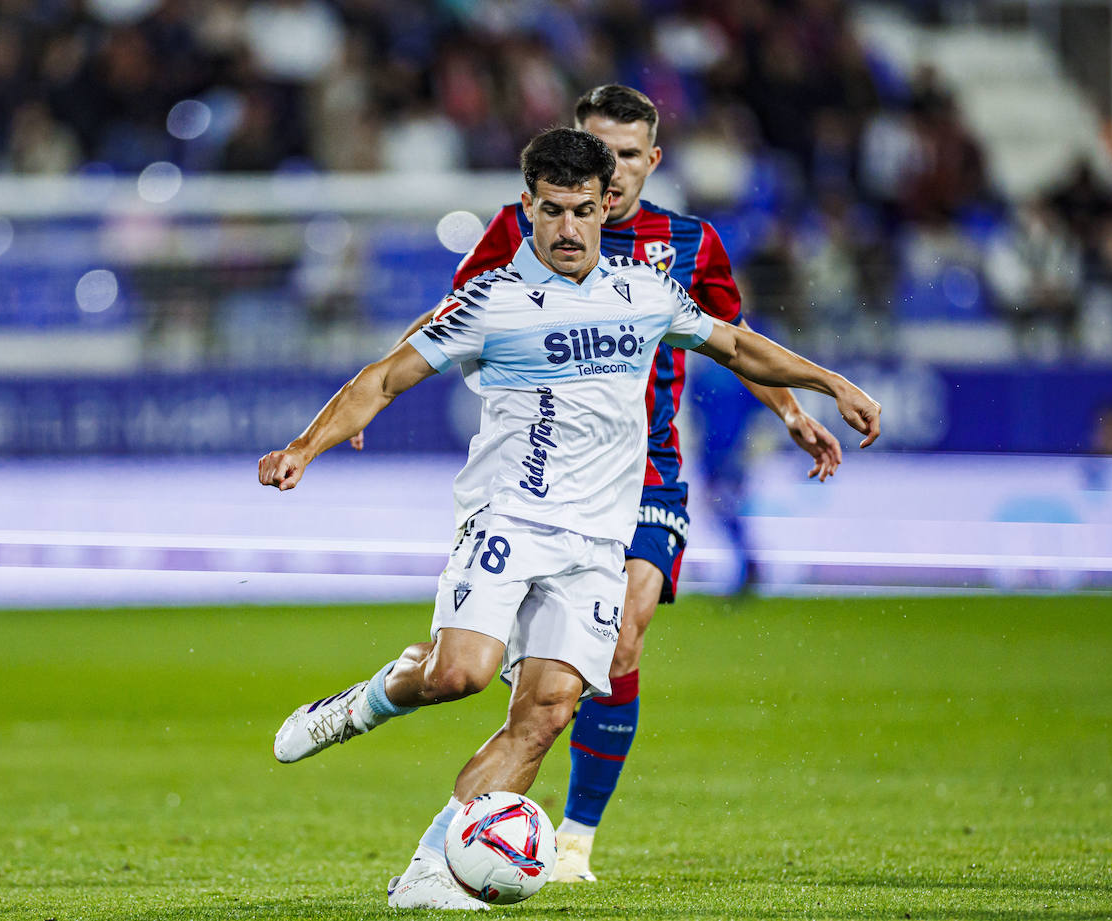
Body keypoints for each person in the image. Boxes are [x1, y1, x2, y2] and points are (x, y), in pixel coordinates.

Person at [260, 127, 882, 910]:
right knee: (461, 674)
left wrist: (831, 384)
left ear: (605, 207)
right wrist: (305, 445)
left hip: (595, 542)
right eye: (550, 211)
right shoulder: (494, 301)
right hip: (506, 519)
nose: (566, 228)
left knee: (548, 710)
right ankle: (367, 700)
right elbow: (385, 376)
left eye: (581, 211)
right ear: (528, 207)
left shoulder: (645, 293)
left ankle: (431, 870)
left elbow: (737, 347)